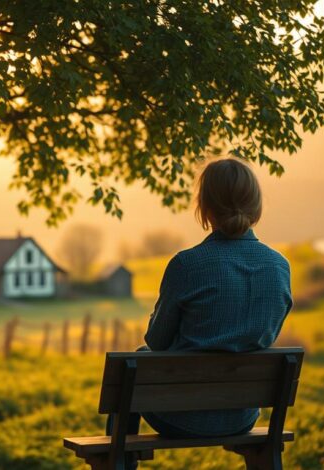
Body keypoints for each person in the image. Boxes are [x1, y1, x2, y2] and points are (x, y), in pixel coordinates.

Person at [107, 158, 293, 451]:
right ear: (256, 205)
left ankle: (120, 458)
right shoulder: (280, 267)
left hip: (180, 417)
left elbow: (156, 342)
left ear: (204, 208)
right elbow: (265, 337)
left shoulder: (187, 265)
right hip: (242, 416)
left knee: (136, 364)